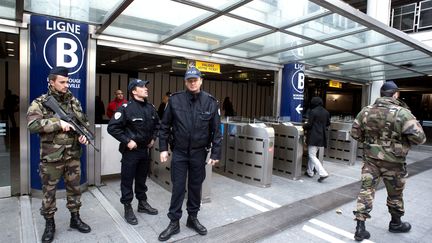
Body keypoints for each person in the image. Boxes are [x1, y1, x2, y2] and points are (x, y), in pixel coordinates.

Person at [350, 81, 426, 241]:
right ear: (395, 94)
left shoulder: (365, 111)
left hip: (371, 160)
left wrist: (370, 141)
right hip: (394, 163)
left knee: (366, 191)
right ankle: (396, 223)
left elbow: (355, 134)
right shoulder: (403, 113)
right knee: (395, 194)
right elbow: (420, 138)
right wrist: (402, 140)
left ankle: (360, 228)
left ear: (381, 94)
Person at [26, 66, 91, 243]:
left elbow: (83, 123)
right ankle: (49, 225)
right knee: (49, 193)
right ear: (52, 82)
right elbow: (32, 126)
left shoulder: (73, 101)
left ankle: (75, 218)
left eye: (67, 81)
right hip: (51, 158)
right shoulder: (40, 102)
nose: (66, 85)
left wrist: (84, 136)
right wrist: (57, 123)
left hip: (73, 156)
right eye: (62, 82)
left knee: (75, 190)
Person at [158, 67, 222, 241]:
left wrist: (215, 153)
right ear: (185, 82)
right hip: (179, 152)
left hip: (199, 153)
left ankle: (192, 218)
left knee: (195, 187)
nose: (192, 82)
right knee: (178, 187)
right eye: (189, 80)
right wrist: (163, 148)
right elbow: (164, 126)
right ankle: (174, 222)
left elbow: (217, 131)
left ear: (201, 81)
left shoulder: (211, 102)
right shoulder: (175, 100)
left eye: (195, 80)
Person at [107, 79, 159, 225]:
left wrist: (153, 138)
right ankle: (127, 207)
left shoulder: (150, 107)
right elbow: (112, 128)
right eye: (141, 87)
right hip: (131, 151)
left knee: (142, 179)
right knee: (127, 179)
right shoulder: (125, 108)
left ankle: (142, 203)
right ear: (134, 91)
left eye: (145, 86)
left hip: (144, 150)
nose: (145, 88)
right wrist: (127, 141)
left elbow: (157, 125)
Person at [303, 96, 330, 182]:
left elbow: (310, 125)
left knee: (312, 155)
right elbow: (328, 123)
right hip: (321, 136)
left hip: (313, 136)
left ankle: (323, 173)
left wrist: (303, 126)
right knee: (313, 154)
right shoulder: (326, 112)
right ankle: (310, 172)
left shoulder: (313, 111)